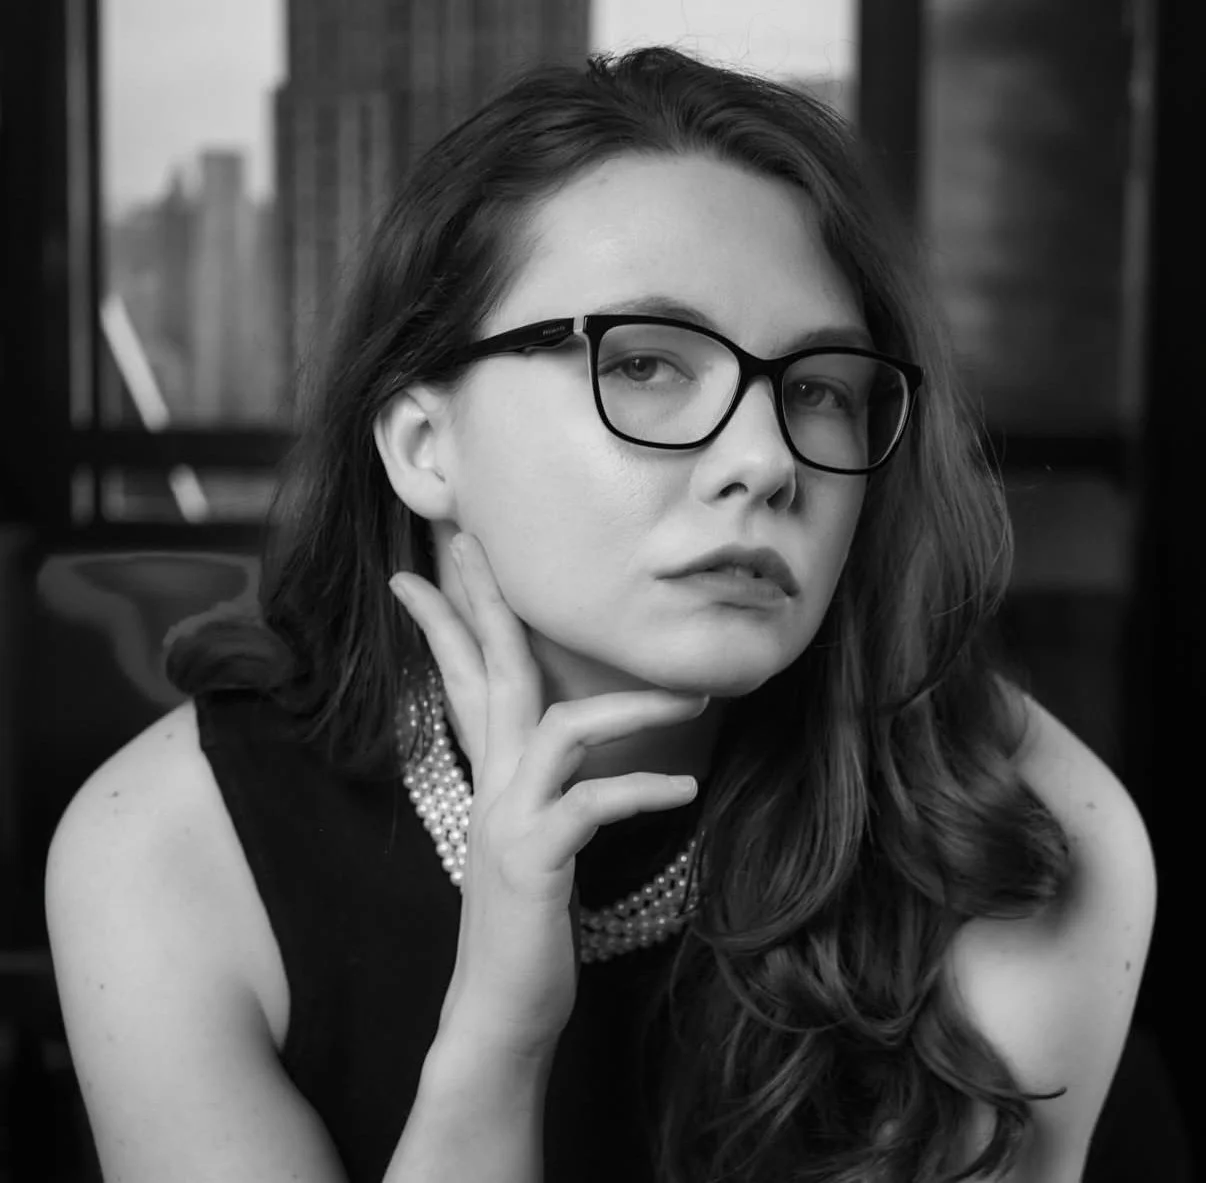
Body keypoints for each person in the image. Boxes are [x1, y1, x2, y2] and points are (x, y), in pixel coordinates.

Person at [43, 44, 1156, 1183]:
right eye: (647, 366)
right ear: (426, 448)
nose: (768, 462)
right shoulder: (175, 847)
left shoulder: (1013, 830)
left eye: (819, 387)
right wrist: (497, 1038)